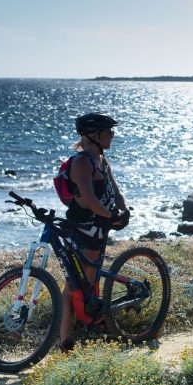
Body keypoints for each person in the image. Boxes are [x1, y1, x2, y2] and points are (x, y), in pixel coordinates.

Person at [60, 112, 129, 352]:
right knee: (75, 283)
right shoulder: (81, 162)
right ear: (94, 135)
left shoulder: (101, 160)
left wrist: (124, 209)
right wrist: (111, 216)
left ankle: (95, 324)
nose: (112, 135)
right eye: (109, 131)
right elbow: (88, 199)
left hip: (99, 228)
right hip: (82, 228)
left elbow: (116, 191)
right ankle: (65, 340)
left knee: (90, 282)